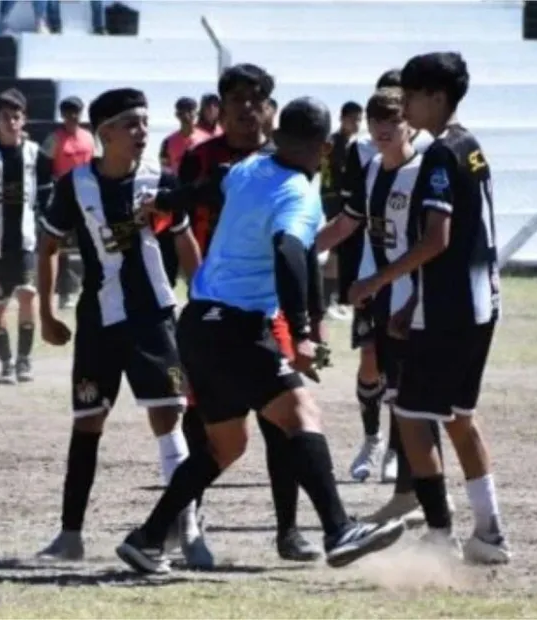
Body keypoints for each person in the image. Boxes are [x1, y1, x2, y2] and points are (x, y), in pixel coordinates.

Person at [115, 97, 405, 575]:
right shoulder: (298, 191)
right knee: (301, 413)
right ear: (325, 147)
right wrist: (305, 330)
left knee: (225, 446)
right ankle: (337, 529)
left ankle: (148, 538)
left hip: (199, 324)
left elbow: (209, 189)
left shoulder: (251, 166)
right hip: (238, 327)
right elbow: (291, 251)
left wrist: (168, 202)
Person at [35, 87, 210, 568]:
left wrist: (202, 300)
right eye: (131, 124)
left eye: (144, 123)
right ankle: (70, 535)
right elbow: (47, 247)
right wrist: (47, 314)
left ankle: (189, 529)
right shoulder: (74, 185)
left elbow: (184, 240)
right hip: (98, 323)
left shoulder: (161, 181)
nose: (141, 132)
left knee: (168, 416)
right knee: (88, 420)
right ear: (104, 133)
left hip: (153, 317)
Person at [346, 52, 509, 564]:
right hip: (482, 302)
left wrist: (380, 279)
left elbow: (437, 239)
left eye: (412, 95)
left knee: (412, 415)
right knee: (460, 415)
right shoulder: (473, 146)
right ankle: (490, 532)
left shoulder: (439, 155)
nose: (406, 105)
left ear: (436, 96)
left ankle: (440, 533)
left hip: (447, 307)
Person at [173, 65, 321, 562]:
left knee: (282, 416)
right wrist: (197, 276)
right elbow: (174, 219)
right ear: (220, 105)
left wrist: (309, 323)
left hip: (266, 307)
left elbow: (299, 246)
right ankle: (190, 519)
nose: (244, 107)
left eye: (255, 99)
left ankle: (289, 528)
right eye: (234, 98)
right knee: (205, 418)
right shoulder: (201, 159)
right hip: (213, 306)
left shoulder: (282, 162)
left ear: (270, 109)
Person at [338, 69, 435, 486]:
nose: (383, 127)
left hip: (404, 282)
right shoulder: (361, 154)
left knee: (401, 373)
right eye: (377, 116)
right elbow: (349, 218)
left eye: (393, 116)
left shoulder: (426, 154)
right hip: (366, 272)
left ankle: (398, 452)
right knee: (368, 359)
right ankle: (372, 438)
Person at [0, 89, 54, 385]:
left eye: (16, 116)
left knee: (28, 294)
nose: (11, 122)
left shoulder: (36, 154)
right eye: (5, 117)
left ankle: (24, 359)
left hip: (25, 239)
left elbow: (46, 196)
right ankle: (6, 362)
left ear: (24, 119)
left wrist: (47, 227)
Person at [41, 96, 96, 310]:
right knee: (62, 247)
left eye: (76, 112)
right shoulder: (53, 139)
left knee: (88, 243)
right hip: (63, 196)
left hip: (88, 196)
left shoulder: (90, 138)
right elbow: (44, 169)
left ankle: (89, 287)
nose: (72, 116)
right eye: (68, 112)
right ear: (62, 115)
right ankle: (65, 292)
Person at [156, 96, 209, 287]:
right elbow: (165, 169)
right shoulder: (168, 142)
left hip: (199, 201)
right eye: (182, 111)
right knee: (169, 245)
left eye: (191, 110)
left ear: (196, 113)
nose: (187, 115)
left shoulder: (207, 139)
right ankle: (167, 285)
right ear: (176, 114)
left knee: (199, 244)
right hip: (176, 199)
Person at [319, 100, 363, 322]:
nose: (356, 123)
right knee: (335, 252)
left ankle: (333, 299)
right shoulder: (339, 144)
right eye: (353, 119)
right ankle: (328, 301)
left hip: (335, 199)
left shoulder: (342, 142)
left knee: (339, 252)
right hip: (335, 200)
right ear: (343, 119)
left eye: (359, 119)